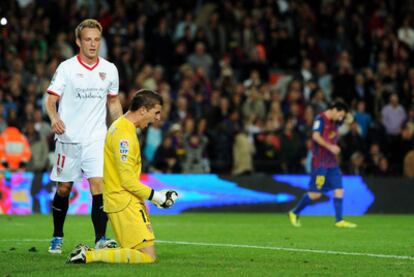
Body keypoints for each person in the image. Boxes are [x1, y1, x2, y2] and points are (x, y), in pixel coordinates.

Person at [67, 90, 178, 264]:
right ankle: (88, 254)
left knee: (135, 253)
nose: (157, 118)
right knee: (148, 257)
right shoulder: (124, 135)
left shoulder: (120, 126)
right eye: (156, 112)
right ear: (143, 110)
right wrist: (157, 197)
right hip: (124, 202)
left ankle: (91, 253)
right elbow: (127, 180)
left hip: (121, 200)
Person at [45, 19, 123, 254]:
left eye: (97, 40)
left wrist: (120, 129)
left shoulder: (109, 69)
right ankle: (57, 235)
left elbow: (113, 101)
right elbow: (50, 100)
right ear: (78, 41)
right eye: (88, 39)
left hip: (96, 139)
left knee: (98, 184)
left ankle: (100, 238)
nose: (92, 44)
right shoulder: (67, 68)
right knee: (63, 189)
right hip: (68, 139)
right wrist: (54, 118)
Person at [288, 101, 357, 228]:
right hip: (320, 163)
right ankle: (294, 212)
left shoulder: (336, 120)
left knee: (339, 189)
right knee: (316, 194)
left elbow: (350, 120)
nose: (341, 118)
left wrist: (345, 112)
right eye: (340, 114)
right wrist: (330, 146)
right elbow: (315, 136)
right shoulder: (320, 119)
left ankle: (339, 220)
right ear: (334, 110)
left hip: (332, 163)